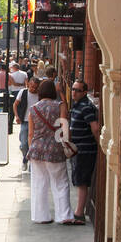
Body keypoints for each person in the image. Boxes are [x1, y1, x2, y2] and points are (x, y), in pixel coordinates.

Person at [27, 80, 75, 225]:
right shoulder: (59, 106)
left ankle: (40, 216)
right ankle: (64, 215)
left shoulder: (33, 109)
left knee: (39, 183)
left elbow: (30, 133)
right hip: (55, 149)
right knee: (60, 182)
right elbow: (64, 127)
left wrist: (31, 149)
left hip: (36, 149)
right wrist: (66, 143)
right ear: (53, 92)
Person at [68, 80, 100, 223]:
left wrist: (100, 144)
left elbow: (95, 127)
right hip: (78, 149)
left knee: (82, 181)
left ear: (85, 92)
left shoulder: (86, 107)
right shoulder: (77, 105)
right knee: (79, 179)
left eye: (77, 90)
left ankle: (79, 213)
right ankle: (80, 210)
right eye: (73, 89)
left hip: (85, 150)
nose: (74, 92)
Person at [14, 76, 40, 167]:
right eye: (32, 86)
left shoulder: (40, 95)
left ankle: (31, 162)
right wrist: (17, 116)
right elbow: (15, 104)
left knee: (34, 144)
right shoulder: (23, 92)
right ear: (28, 84)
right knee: (24, 144)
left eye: (36, 87)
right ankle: (25, 158)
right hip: (24, 121)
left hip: (37, 122)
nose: (33, 89)